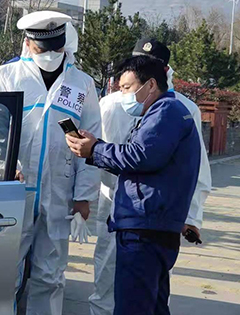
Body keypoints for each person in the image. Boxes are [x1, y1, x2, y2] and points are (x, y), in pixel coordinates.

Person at [0, 11, 101, 315]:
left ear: (64, 45)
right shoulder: (8, 76)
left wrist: (84, 196)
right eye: (41, 49)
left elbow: (91, 140)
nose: (49, 55)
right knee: (5, 273)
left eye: (55, 49)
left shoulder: (82, 84)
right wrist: (5, 169)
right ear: (27, 43)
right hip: (16, 189)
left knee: (50, 275)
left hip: (59, 192)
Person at [66, 56, 201, 315]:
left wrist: (96, 149)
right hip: (152, 224)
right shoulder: (165, 112)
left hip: (145, 227)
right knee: (152, 305)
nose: (123, 96)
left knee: (133, 306)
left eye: (127, 88)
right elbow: (138, 162)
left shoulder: (165, 112)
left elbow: (141, 156)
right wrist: (95, 150)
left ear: (151, 84)